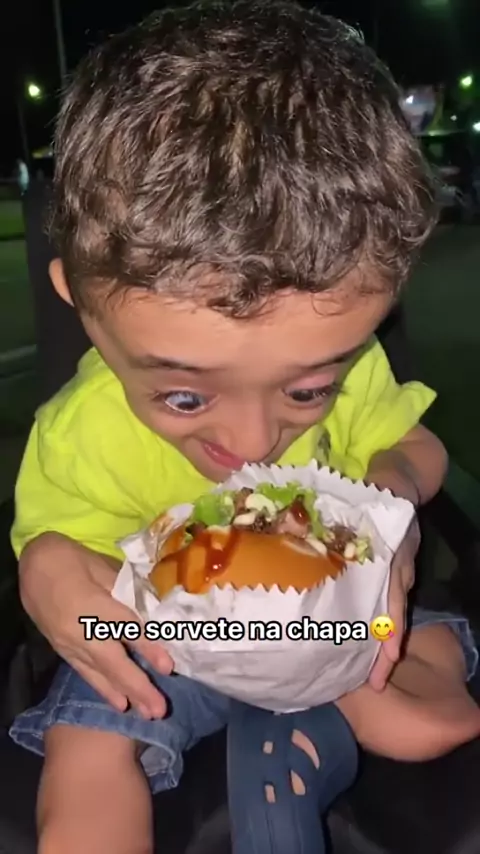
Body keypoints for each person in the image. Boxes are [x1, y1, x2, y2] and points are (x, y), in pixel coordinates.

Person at [9, 3, 480, 853]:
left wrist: (392, 501)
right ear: (81, 306)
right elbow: (64, 566)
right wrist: (46, 568)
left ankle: (318, 715)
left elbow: (417, 446)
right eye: (186, 397)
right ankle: (306, 726)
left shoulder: (354, 364)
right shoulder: (78, 436)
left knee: (425, 702)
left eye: (308, 389)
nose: (258, 441)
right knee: (84, 752)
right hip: (173, 651)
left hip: (334, 626)